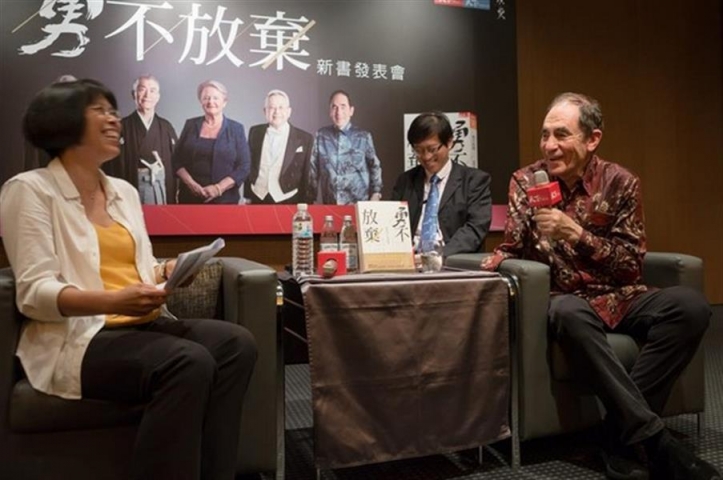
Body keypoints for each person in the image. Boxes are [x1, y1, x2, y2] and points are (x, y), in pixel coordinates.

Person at [0, 79, 257, 480]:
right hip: (80, 337)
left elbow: (139, 265)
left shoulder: (122, 191)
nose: (113, 119)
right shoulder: (29, 190)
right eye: (98, 110)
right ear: (61, 122)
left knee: (235, 343)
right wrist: (113, 301)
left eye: (111, 109)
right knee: (188, 361)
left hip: (142, 324)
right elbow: (34, 293)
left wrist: (167, 271)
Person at [481, 92, 719, 480]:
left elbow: (629, 266)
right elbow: (511, 247)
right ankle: (655, 442)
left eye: (562, 134)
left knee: (690, 307)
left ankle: (616, 436)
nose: (550, 146)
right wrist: (496, 262)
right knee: (570, 312)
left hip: (619, 296)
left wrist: (576, 235)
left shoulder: (620, 183)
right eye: (545, 135)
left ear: (592, 139)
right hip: (564, 301)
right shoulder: (526, 181)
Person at [391, 111, 492, 258]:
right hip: (411, 263)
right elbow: (393, 224)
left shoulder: (474, 181)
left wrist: (439, 256)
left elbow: (475, 229)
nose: (426, 157)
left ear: (449, 142)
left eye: (432, 149)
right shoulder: (405, 181)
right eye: (418, 150)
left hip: (454, 263)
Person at [103, 74, 178, 204]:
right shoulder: (120, 127)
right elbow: (108, 166)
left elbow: (176, 163)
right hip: (130, 188)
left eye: (153, 90)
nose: (147, 95)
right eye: (142, 89)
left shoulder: (166, 127)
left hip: (160, 188)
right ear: (134, 94)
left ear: (158, 97)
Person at [172, 79, 250, 204]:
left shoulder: (236, 129)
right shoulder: (190, 125)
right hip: (189, 198)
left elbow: (244, 167)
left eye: (215, 98)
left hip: (225, 200)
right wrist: (191, 184)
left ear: (224, 102)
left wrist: (218, 188)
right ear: (201, 101)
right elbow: (176, 160)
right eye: (206, 98)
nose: (210, 102)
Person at [309, 90, 383, 204]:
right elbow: (313, 169)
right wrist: (311, 198)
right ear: (330, 111)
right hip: (330, 205)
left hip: (357, 204)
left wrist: (376, 193)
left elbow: (375, 166)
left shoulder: (363, 137)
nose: (339, 112)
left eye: (343, 107)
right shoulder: (321, 136)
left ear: (351, 111)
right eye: (334, 107)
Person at [245, 89, 314, 204]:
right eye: (271, 107)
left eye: (281, 107)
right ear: (264, 111)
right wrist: (247, 195)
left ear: (289, 111)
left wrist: (306, 201)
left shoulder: (304, 138)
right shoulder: (255, 132)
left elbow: (307, 174)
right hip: (258, 195)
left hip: (288, 196)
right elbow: (249, 165)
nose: (276, 112)